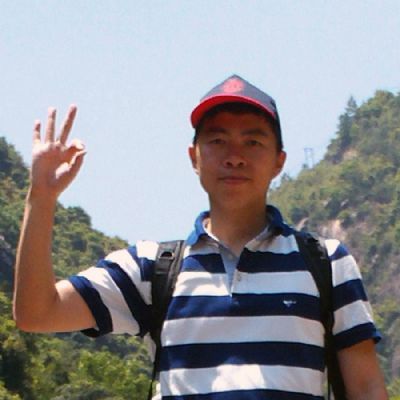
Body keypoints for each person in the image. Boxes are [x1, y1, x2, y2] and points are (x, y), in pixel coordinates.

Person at [14, 75, 388, 399]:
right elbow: (37, 313)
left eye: (253, 142)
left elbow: (366, 388)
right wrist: (41, 197)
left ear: (279, 161)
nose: (235, 157)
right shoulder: (151, 270)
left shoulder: (326, 263)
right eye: (218, 140)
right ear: (194, 157)